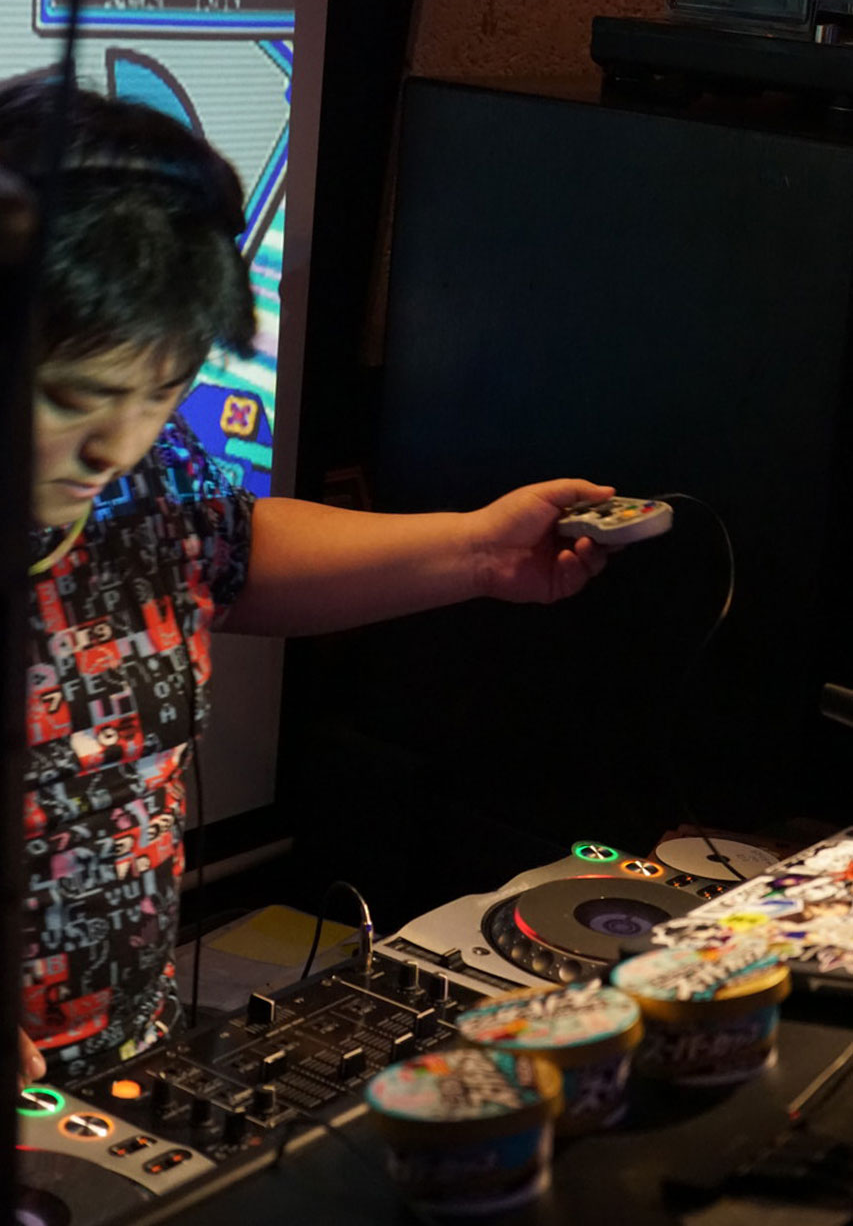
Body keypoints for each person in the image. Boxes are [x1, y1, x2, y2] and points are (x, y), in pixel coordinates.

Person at [2, 76, 614, 1090]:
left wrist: (476, 551)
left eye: (159, 393)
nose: (117, 445)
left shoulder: (138, 475)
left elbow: (225, 553)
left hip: (118, 1067)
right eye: (77, 399)